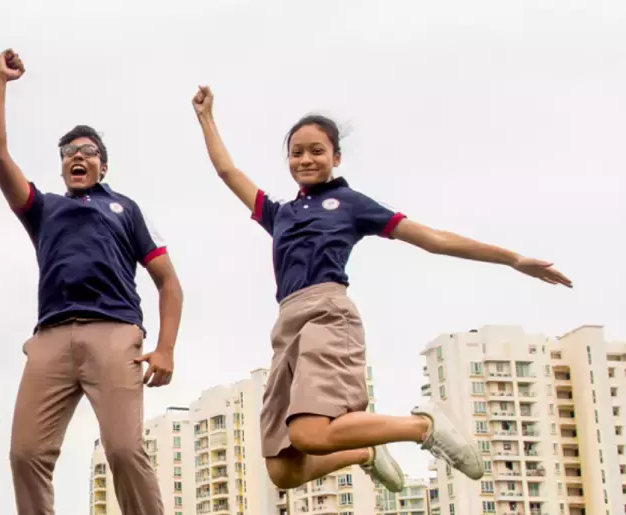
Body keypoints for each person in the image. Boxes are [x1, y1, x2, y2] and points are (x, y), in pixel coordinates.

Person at [190, 85, 573, 492]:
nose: (306, 159)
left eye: (317, 151)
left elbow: (432, 238)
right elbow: (227, 172)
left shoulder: (350, 204)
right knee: (283, 472)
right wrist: (206, 118)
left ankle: (422, 426)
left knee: (310, 433)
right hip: (286, 327)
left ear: (336, 157)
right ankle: (366, 453)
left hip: (326, 314)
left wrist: (512, 258)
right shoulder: (280, 214)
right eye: (297, 152)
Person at [0, 49, 184, 515]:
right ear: (61, 167)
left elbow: (168, 282)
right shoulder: (44, 208)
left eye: (88, 152)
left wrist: (167, 347)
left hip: (114, 332)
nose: (78, 157)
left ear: (103, 166)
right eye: (69, 153)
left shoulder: (125, 209)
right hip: (51, 337)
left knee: (123, 450)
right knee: (25, 454)